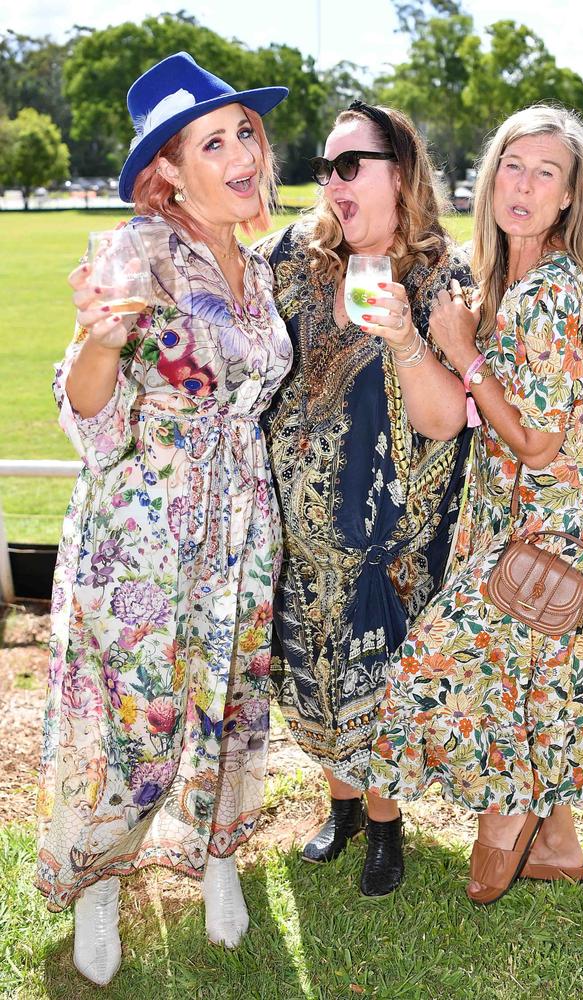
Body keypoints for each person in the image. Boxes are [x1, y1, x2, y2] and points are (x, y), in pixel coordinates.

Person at [35, 51, 292, 984]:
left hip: (239, 524)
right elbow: (85, 410)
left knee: (228, 702)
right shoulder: (133, 251)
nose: (241, 154)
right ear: (168, 170)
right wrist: (101, 341)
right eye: (212, 140)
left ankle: (216, 855)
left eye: (246, 135)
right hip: (145, 532)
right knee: (135, 721)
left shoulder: (255, 263)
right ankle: (103, 877)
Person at [366, 105, 583, 903]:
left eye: (548, 173)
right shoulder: (506, 281)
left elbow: (540, 442)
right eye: (515, 165)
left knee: (433, 668)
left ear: (567, 199)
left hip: (547, 528)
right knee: (529, 683)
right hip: (516, 519)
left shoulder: (551, 294)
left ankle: (507, 821)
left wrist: (462, 352)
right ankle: (556, 843)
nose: (526, 184)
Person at [256, 101, 472, 897]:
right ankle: (341, 807)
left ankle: (385, 826)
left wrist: (407, 337)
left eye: (353, 165)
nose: (334, 183)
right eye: (325, 168)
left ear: (401, 171)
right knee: (311, 682)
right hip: (299, 542)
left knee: (376, 688)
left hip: (392, 547)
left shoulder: (441, 275)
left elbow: (446, 418)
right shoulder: (291, 258)